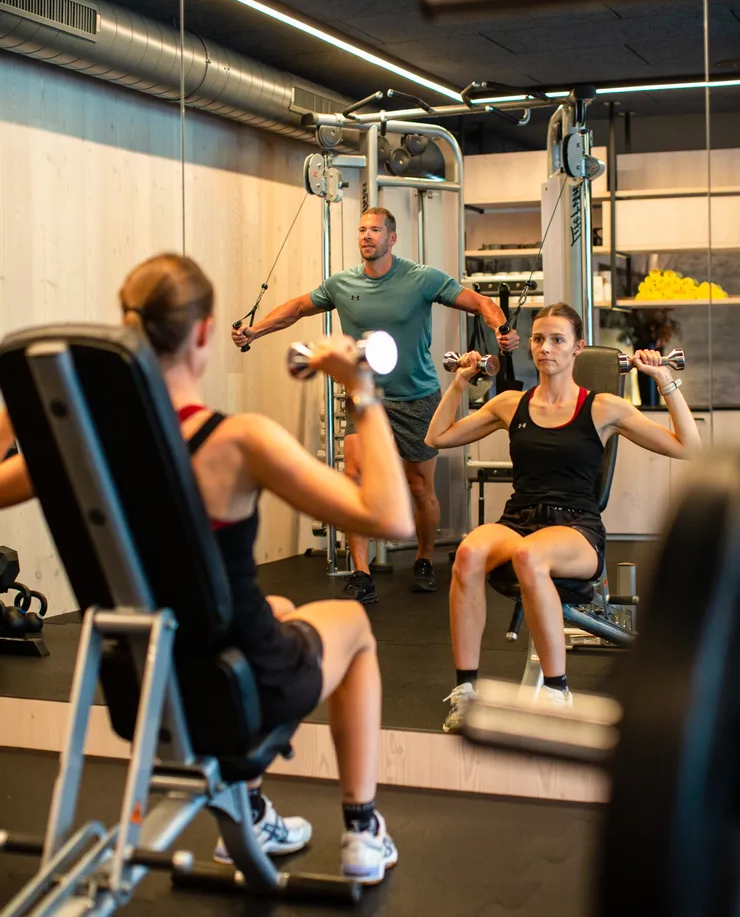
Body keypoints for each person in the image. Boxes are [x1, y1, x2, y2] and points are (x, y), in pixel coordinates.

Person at [0, 253, 416, 886]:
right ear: (202, 333)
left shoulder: (80, 444)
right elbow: (392, 519)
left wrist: (16, 409)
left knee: (279, 609)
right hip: (232, 689)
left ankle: (249, 814)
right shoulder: (238, 441)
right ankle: (362, 832)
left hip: (138, 688)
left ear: (128, 329)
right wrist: (360, 390)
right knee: (353, 625)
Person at [424, 302, 702, 733]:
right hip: (519, 518)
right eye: (538, 339)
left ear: (578, 348)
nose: (545, 348)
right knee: (468, 553)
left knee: (531, 557)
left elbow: (688, 447)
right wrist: (460, 381)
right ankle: (467, 691)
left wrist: (666, 381)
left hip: (576, 526)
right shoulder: (509, 403)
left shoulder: (603, 407)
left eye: (557, 340)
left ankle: (557, 693)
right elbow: (436, 437)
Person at [232, 207, 519, 603]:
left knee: (420, 487)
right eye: (362, 230)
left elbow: (479, 303)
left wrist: (502, 330)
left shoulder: (422, 278)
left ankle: (422, 559)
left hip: (418, 397)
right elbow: (297, 308)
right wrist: (254, 331)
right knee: (354, 480)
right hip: (364, 398)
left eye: (375, 230)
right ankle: (362, 572)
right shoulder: (341, 283)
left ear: (392, 238)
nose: (367, 236)